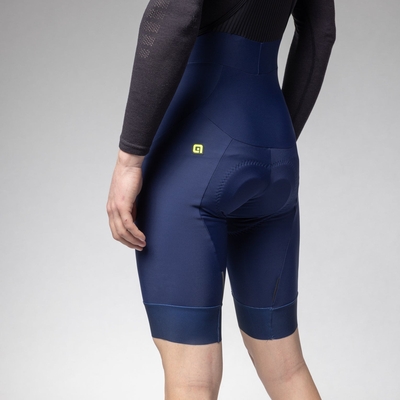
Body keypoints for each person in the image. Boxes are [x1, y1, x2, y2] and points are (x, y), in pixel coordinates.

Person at [107, 0, 335, 399]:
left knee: (191, 381)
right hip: (275, 146)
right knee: (287, 370)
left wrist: (129, 160)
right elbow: (321, 31)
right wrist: (271, 141)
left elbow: (174, 17)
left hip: (197, 149)